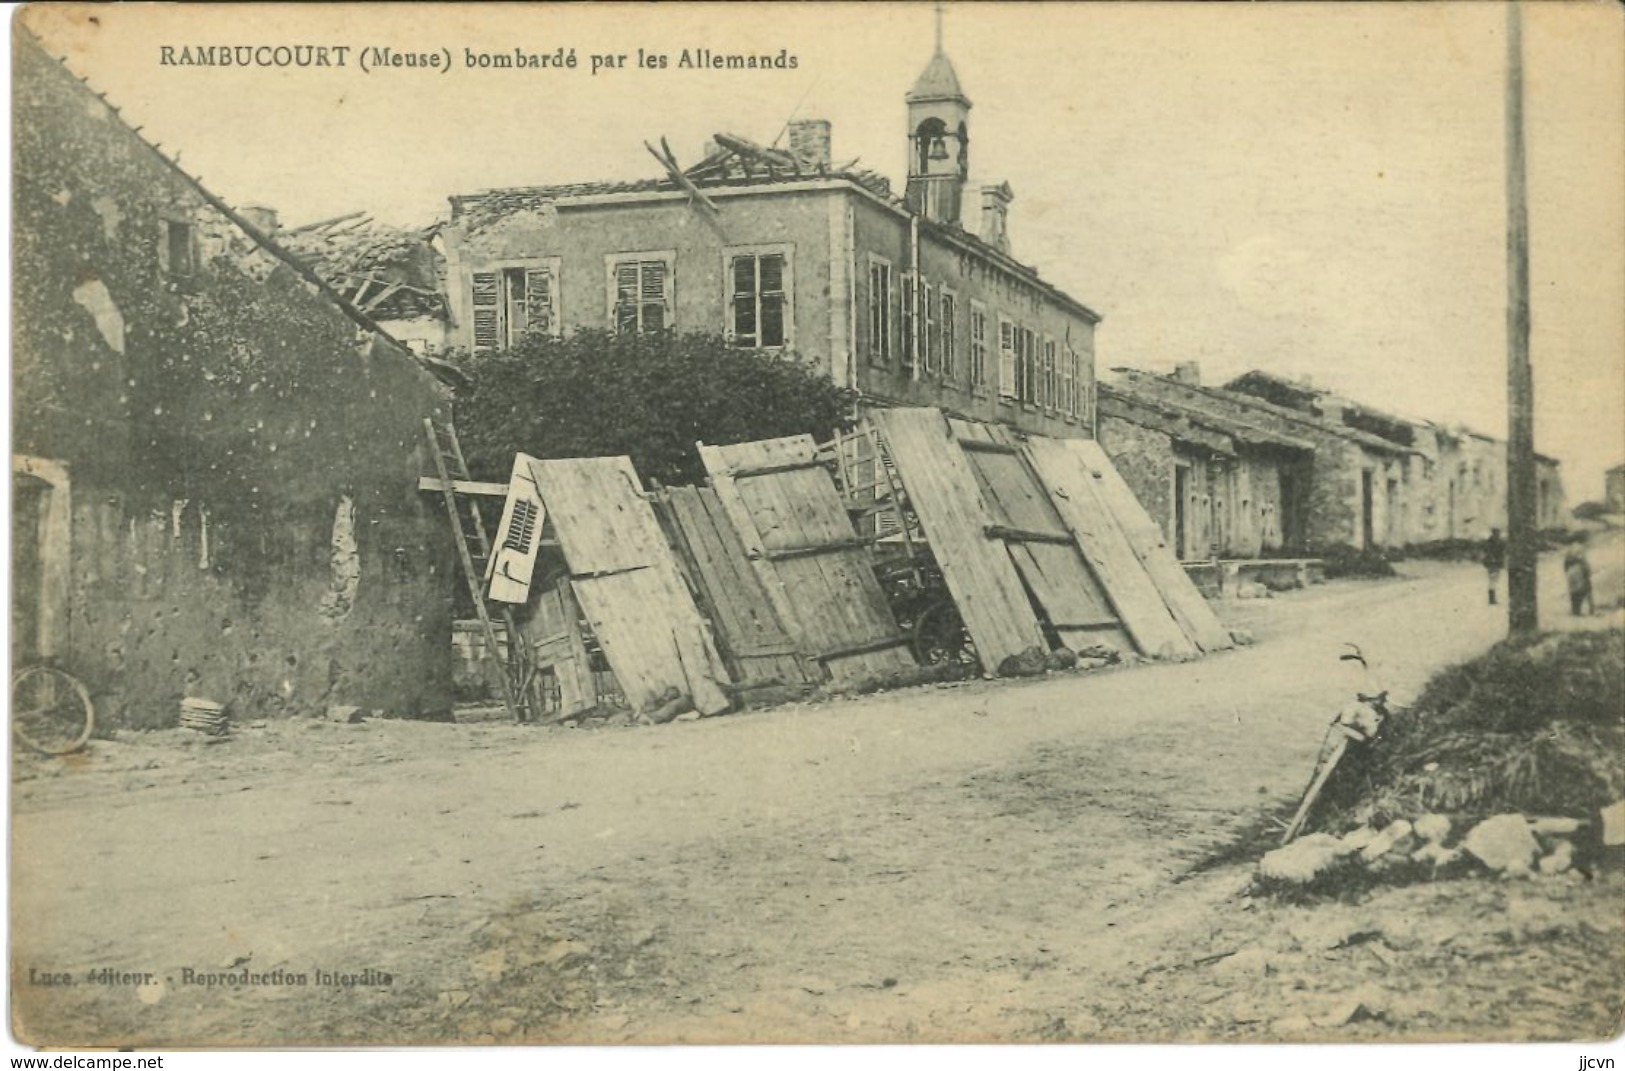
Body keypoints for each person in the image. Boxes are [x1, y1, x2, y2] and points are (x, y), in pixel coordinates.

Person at [1564, 542, 1594, 616]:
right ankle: (1589, 609)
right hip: (1579, 576)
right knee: (1585, 592)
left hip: (1573, 576)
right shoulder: (1581, 559)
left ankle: (1576, 610)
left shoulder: (1569, 554)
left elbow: (1565, 566)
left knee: (1575, 593)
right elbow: (1587, 569)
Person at [1482, 528, 1505, 606]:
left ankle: (1492, 598)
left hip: (1494, 563)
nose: (1498, 535)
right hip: (1493, 563)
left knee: (1494, 580)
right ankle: (1492, 599)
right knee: (1493, 580)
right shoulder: (1494, 542)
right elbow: (1489, 552)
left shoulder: (1493, 542)